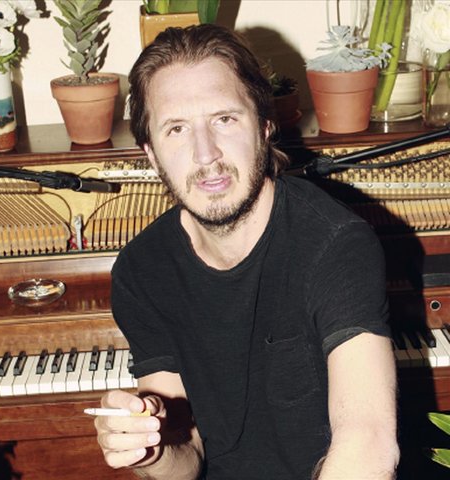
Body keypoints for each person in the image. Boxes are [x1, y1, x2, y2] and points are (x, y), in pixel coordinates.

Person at [94, 24, 399, 480]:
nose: (206, 154)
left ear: (264, 126)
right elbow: (187, 458)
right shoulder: (142, 270)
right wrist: (151, 450)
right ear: (152, 154)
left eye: (225, 119)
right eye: (176, 129)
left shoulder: (335, 242)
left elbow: (367, 439)